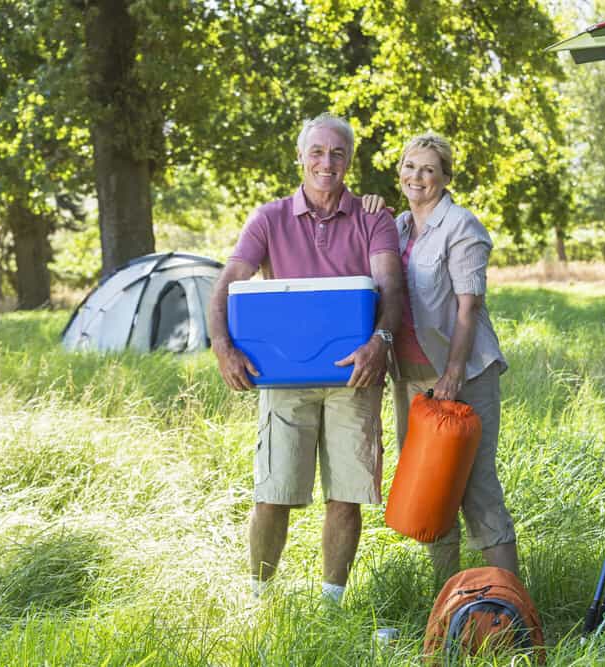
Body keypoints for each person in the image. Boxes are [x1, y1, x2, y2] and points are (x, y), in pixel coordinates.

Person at [208, 112, 402, 604]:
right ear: (300, 157)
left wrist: (379, 341)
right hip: (283, 377)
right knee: (273, 491)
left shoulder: (372, 216)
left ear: (349, 161)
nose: (326, 162)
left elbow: (393, 289)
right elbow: (226, 285)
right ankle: (260, 600)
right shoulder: (269, 218)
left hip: (355, 376)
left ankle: (331, 604)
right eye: (316, 152)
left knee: (347, 494)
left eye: (337, 153)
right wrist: (224, 348)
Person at [364, 132, 518, 582]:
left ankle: (513, 606)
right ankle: (446, 603)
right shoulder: (394, 226)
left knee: (477, 489)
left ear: (445, 177)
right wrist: (368, 205)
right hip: (409, 377)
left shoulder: (462, 227)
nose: (418, 177)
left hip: (463, 375)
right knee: (432, 488)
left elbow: (468, 307)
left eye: (429, 169)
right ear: (400, 173)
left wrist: (452, 373)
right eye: (410, 167)